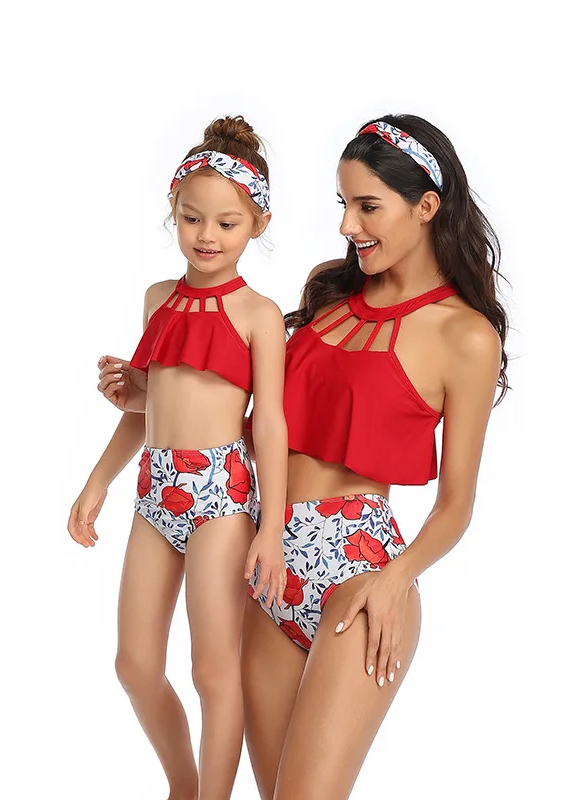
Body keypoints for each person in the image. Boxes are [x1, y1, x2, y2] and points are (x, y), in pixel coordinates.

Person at [240, 115, 508, 798]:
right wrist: (152, 400)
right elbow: (261, 424)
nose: (347, 225)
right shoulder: (329, 294)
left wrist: (396, 579)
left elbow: (456, 505)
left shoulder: (465, 336)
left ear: (426, 207)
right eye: (343, 204)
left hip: (359, 575)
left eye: (367, 206)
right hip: (267, 561)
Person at [68, 116, 288, 800]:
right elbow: (149, 407)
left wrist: (273, 528)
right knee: (134, 665)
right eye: (192, 218)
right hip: (155, 491)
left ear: (258, 223)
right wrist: (97, 481)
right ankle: (184, 786)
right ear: (174, 211)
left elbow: (270, 423)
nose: (207, 235)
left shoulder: (259, 314)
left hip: (222, 497)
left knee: (213, 672)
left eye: (227, 222)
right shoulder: (157, 300)